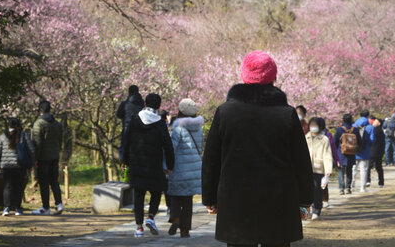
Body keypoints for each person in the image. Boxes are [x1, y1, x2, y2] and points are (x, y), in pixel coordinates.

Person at [202, 50, 313, 247]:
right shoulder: (286, 114)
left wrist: (210, 197)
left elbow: (212, 158)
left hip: (236, 200)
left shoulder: (226, 112)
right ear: (273, 77)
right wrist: (305, 200)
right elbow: (301, 160)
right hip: (279, 199)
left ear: (244, 75)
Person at [121, 93, 175, 238]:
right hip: (154, 163)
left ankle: (139, 228)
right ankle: (151, 217)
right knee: (157, 191)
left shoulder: (134, 119)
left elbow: (126, 141)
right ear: (158, 106)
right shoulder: (160, 123)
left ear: (145, 104)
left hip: (137, 163)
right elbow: (168, 146)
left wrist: (125, 160)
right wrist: (170, 164)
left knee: (138, 195)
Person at [167, 98, 204, 238]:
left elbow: (172, 148)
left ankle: (175, 217)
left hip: (179, 167)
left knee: (176, 195)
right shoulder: (199, 129)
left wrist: (167, 164)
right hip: (194, 168)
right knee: (188, 200)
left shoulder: (178, 128)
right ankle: (185, 230)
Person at [0, 118, 35, 216]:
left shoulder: (2, 136)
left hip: (6, 166)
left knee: (8, 187)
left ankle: (6, 208)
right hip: (20, 166)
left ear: (8, 126)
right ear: (18, 126)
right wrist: (32, 163)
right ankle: (18, 209)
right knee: (19, 187)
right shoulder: (24, 136)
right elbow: (32, 150)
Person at [31, 101, 64, 216]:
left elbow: (37, 143)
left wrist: (35, 159)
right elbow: (60, 141)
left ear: (40, 111)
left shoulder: (38, 124)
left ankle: (46, 207)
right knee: (54, 181)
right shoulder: (57, 124)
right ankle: (59, 204)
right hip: (54, 157)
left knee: (44, 182)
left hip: (43, 158)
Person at [305, 117, 333, 220]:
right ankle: (309, 210)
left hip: (319, 168)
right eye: (311, 125)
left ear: (320, 127)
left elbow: (327, 155)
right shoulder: (306, 137)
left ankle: (317, 209)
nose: (313, 127)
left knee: (318, 190)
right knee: (309, 190)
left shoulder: (324, 139)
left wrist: (328, 170)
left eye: (315, 125)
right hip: (307, 169)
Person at [334, 113, 361, 195]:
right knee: (349, 171)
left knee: (341, 171)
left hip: (341, 153)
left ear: (343, 120)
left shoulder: (339, 130)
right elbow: (359, 141)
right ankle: (348, 188)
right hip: (351, 153)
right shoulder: (355, 130)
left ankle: (341, 189)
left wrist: (335, 152)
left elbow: (335, 142)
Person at [116, 85, 145, 161]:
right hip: (141, 130)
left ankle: (126, 169)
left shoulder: (124, 104)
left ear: (129, 92)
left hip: (127, 129)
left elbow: (119, 114)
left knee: (124, 150)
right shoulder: (143, 104)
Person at [351, 110, 375, 192]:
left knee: (353, 168)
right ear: (368, 116)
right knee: (364, 170)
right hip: (365, 151)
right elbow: (372, 140)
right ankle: (362, 188)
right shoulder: (370, 127)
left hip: (354, 151)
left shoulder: (353, 126)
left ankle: (351, 185)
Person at [320, 120, 339, 208]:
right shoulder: (309, 136)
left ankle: (324, 200)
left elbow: (333, 148)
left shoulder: (327, 135)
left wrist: (337, 159)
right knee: (316, 183)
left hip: (325, 161)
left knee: (324, 182)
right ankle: (319, 201)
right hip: (315, 162)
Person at [367, 117, 385, 188]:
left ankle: (368, 180)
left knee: (368, 166)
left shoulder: (375, 130)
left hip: (373, 151)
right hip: (379, 152)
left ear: (379, 123)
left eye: (375, 121)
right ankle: (381, 182)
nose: (374, 122)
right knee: (378, 167)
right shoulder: (380, 131)